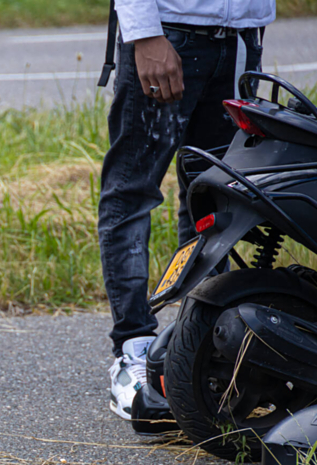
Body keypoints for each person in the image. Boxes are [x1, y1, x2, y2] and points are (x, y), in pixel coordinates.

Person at [98, 0, 275, 420]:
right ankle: (134, 350)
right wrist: (144, 33)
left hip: (240, 40)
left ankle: (200, 352)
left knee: (216, 198)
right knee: (132, 192)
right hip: (168, 33)